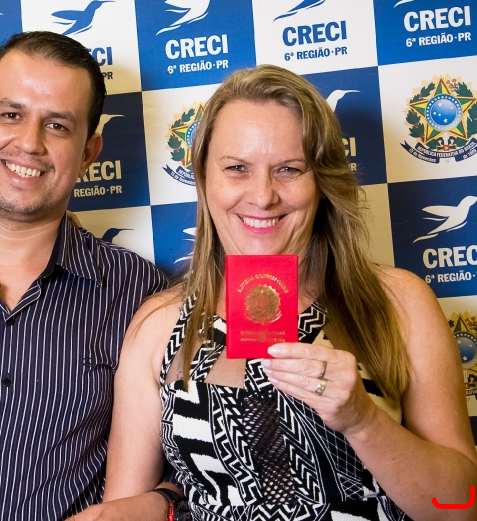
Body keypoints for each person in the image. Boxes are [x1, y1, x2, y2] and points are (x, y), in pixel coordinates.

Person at [73, 65, 477, 520]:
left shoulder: (398, 303)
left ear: (322, 181)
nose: (263, 196)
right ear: (204, 180)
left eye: (288, 169)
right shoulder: (158, 325)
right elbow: (123, 510)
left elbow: (460, 507)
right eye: (237, 169)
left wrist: (363, 420)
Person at [0, 31, 169, 520]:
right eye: (11, 115)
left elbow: (197, 462)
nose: (29, 143)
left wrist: (160, 503)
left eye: (57, 125)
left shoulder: (140, 295)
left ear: (89, 152)